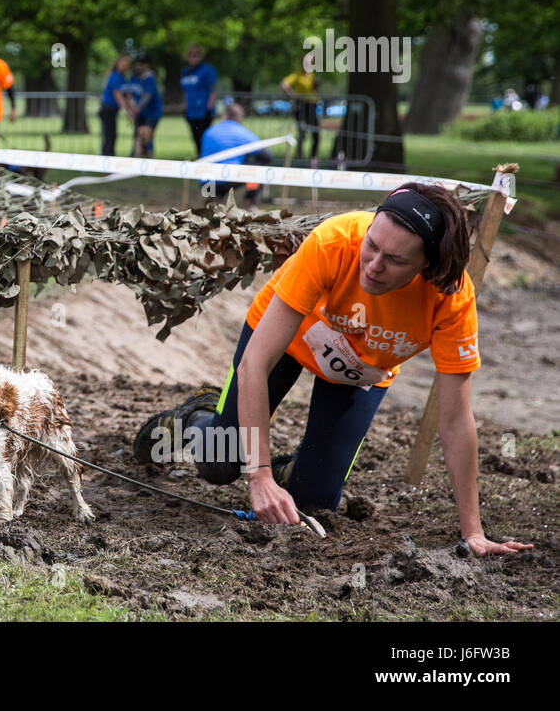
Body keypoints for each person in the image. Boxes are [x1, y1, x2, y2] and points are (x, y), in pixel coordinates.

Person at [133, 185, 534, 556]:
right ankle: (197, 418)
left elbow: (455, 419)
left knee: (315, 501)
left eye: (395, 260)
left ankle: (299, 468)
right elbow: (255, 363)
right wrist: (259, 476)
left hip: (360, 371)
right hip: (290, 340)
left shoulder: (451, 297)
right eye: (372, 246)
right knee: (220, 463)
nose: (374, 265)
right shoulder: (334, 241)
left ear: (427, 266)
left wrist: (473, 531)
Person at [199, 103, 272, 205]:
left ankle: (213, 199)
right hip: (229, 179)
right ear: (239, 117)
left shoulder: (209, 131)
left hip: (206, 182)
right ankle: (249, 201)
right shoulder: (242, 132)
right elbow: (267, 156)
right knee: (258, 168)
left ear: (224, 115)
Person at [179, 43, 218, 156]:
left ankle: (207, 159)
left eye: (196, 55)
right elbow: (185, 91)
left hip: (203, 111)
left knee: (204, 137)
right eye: (190, 55)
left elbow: (212, 91)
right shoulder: (185, 71)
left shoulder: (207, 70)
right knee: (195, 137)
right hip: (191, 111)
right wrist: (184, 107)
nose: (193, 57)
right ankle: (200, 158)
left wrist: (209, 108)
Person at [280, 53, 321, 162]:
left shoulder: (313, 76)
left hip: (312, 107)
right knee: (302, 133)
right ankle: (299, 158)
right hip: (301, 106)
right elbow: (284, 84)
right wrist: (293, 94)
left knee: (316, 133)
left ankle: (313, 159)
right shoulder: (297, 76)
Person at [125, 51, 163, 158]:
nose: (137, 66)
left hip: (152, 114)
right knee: (137, 136)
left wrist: (136, 109)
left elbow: (147, 97)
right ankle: (135, 157)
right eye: (137, 63)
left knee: (147, 137)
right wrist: (130, 109)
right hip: (140, 113)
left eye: (140, 64)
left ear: (147, 65)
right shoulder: (134, 77)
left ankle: (149, 161)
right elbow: (129, 93)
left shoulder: (150, 79)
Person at [98, 54, 132, 156]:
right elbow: (118, 95)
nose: (126, 65)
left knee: (110, 136)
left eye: (127, 63)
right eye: (124, 62)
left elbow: (127, 94)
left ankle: (107, 157)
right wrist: (127, 111)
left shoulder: (121, 77)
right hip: (107, 110)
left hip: (111, 110)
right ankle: (107, 158)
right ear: (118, 63)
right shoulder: (115, 76)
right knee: (110, 136)